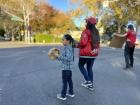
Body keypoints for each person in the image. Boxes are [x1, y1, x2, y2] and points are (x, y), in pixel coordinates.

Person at [76, 17, 100, 90]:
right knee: (89, 68)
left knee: (80, 66)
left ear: (88, 23)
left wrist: (76, 45)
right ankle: (90, 84)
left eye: (86, 22)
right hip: (94, 53)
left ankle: (88, 81)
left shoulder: (86, 31)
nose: (85, 23)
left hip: (86, 53)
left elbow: (83, 43)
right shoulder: (96, 32)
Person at [53, 34, 75, 100]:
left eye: (63, 40)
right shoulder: (69, 47)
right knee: (69, 81)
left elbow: (68, 58)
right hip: (69, 68)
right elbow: (64, 57)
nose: (62, 41)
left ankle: (63, 95)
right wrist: (57, 56)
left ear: (68, 41)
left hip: (65, 69)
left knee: (65, 82)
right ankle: (71, 93)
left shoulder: (68, 48)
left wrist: (58, 56)